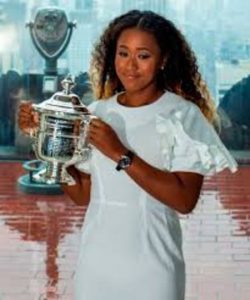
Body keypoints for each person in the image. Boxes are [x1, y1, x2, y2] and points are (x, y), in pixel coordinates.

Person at [18, 10, 238, 300]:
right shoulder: (98, 112)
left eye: (143, 56)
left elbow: (184, 201)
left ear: (164, 60)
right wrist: (47, 140)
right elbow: (83, 196)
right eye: (123, 53)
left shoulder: (182, 115)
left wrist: (120, 152)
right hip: (95, 267)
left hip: (154, 271)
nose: (130, 66)